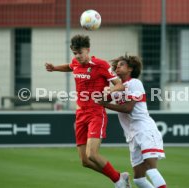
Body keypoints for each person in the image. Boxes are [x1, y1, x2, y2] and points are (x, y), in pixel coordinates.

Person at [45, 35, 131, 188]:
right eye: (75, 53)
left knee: (92, 154)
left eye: (80, 52)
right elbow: (70, 66)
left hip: (96, 113)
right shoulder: (75, 63)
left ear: (88, 50)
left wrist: (109, 90)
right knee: (85, 161)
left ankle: (119, 183)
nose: (77, 56)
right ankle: (120, 177)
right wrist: (55, 68)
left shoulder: (101, 65)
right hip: (80, 115)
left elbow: (120, 84)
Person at [96, 54, 167, 188]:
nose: (117, 67)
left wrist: (105, 104)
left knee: (151, 168)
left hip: (144, 130)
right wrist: (102, 90)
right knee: (139, 180)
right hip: (132, 136)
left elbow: (128, 108)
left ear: (130, 69)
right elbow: (101, 99)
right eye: (116, 66)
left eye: (121, 65)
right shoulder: (119, 88)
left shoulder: (135, 83)